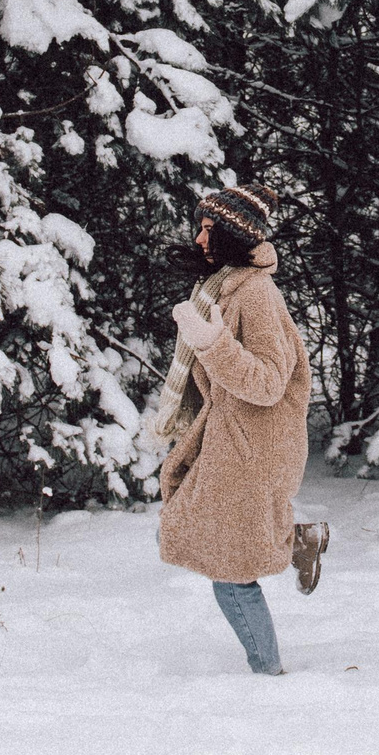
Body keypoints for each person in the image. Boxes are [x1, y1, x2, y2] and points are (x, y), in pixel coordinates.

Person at [154, 182, 330, 675]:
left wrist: (212, 343)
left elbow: (270, 382)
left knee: (229, 570)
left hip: (255, 448)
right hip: (234, 441)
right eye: (200, 227)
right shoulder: (222, 286)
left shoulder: (255, 295)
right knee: (208, 535)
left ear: (233, 237)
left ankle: (268, 676)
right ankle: (300, 539)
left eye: (210, 230)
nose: (200, 239)